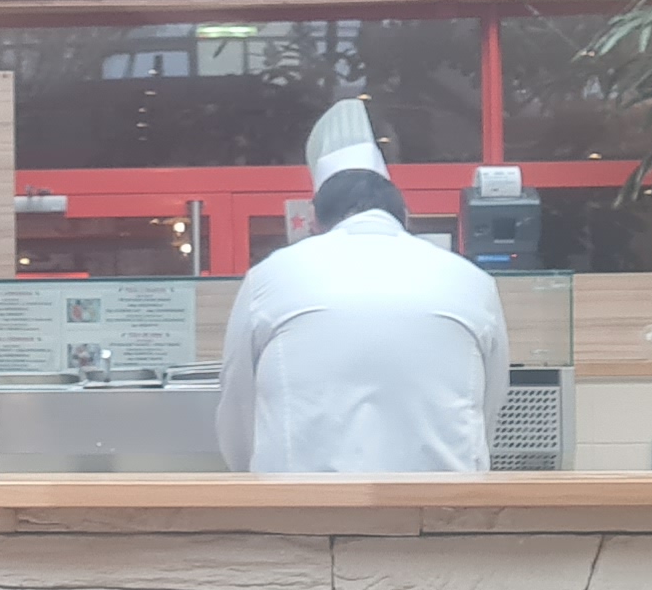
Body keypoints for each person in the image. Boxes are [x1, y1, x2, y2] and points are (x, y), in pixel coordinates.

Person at [216, 164, 507, 473]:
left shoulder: (269, 276)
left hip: (301, 494)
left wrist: (250, 475)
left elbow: (238, 396)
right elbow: (491, 400)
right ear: (405, 218)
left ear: (314, 221)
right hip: (446, 495)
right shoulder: (473, 280)